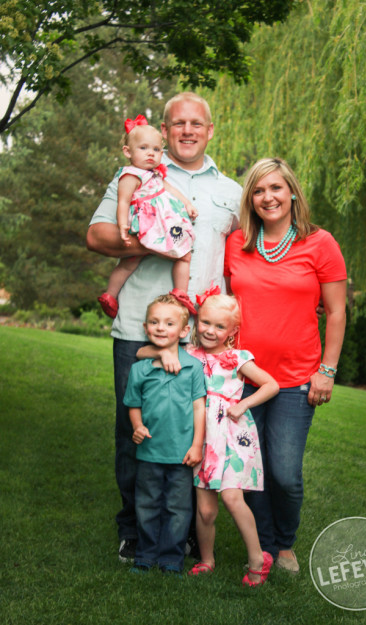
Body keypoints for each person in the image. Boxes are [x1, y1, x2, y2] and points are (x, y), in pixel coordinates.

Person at [86, 92, 242, 562]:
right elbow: (97, 235)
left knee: (193, 433)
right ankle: (133, 529)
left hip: (201, 336)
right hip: (141, 327)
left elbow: (240, 264)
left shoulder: (232, 192)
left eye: (197, 123)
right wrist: (161, 240)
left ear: (210, 130)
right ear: (166, 129)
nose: (188, 131)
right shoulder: (139, 172)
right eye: (178, 124)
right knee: (135, 430)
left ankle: (185, 528)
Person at [224, 157, 347, 575]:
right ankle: (267, 546)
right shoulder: (236, 242)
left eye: (275, 188)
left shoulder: (320, 243)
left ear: (292, 192)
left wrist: (326, 370)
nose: (267, 197)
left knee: (284, 473)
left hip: (297, 380)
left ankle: (286, 540)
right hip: (245, 379)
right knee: (251, 471)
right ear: (250, 199)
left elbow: (336, 311)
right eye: (258, 191)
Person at [137, 288, 280, 586]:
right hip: (201, 435)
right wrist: (164, 351)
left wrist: (243, 404)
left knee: (231, 497)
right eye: (204, 323)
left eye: (219, 326)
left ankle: (258, 558)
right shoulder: (188, 352)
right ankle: (206, 560)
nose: (210, 331)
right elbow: (141, 352)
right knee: (204, 509)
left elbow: (271, 385)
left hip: (230, 434)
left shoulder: (236, 358)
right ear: (196, 321)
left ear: (232, 331)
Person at [123, 293, 206, 574]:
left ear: (184, 331)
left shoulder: (193, 367)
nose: (160, 328)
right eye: (154, 322)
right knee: (146, 504)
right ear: (145, 328)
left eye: (169, 323)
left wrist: (197, 445)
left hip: (182, 453)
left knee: (178, 508)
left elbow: (199, 409)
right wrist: (137, 426)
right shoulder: (139, 369)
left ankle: (171, 557)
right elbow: (133, 404)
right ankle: (145, 554)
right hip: (149, 451)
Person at [97, 115, 198, 319]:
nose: (150, 154)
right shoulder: (130, 175)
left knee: (133, 261)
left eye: (156, 149)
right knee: (182, 253)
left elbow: (169, 189)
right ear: (128, 151)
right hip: (151, 224)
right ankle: (179, 291)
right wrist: (122, 226)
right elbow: (124, 202)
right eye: (143, 148)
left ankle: (112, 295)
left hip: (157, 224)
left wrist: (187, 203)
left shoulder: (156, 174)